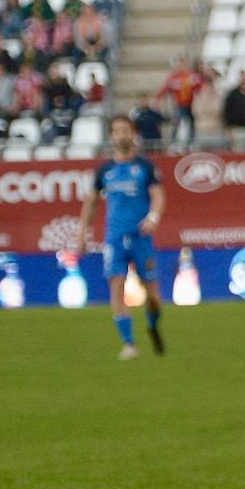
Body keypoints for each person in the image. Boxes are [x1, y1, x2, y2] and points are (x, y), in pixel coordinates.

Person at [77, 115, 166, 360]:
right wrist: (81, 234)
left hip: (141, 237)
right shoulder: (105, 170)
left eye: (126, 130)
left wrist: (153, 218)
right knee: (116, 287)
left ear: (133, 133)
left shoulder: (145, 167)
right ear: (111, 136)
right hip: (114, 238)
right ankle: (129, 344)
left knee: (154, 295)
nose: (122, 135)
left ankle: (153, 326)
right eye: (117, 131)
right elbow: (91, 203)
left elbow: (158, 195)